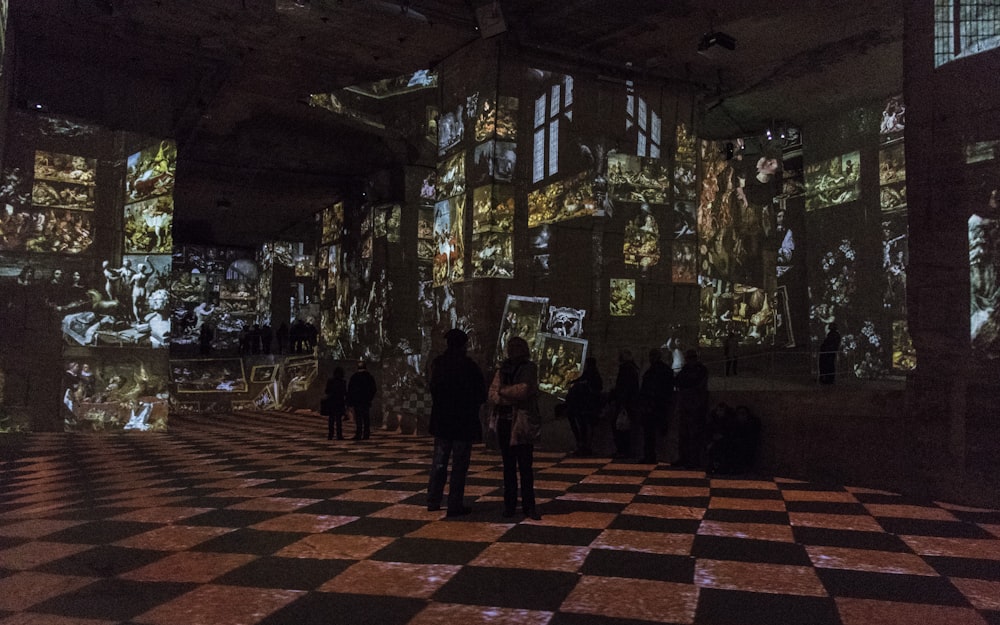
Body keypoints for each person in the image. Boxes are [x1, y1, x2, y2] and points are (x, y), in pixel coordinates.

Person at [427, 328, 487, 517]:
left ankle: (433, 500)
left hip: (443, 421)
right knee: (459, 465)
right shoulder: (469, 366)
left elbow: (433, 389)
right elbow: (481, 394)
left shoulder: (439, 364)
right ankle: (454, 503)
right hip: (463, 421)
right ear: (464, 345)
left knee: (439, 462)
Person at [489, 336, 541, 520]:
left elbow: (523, 391)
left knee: (525, 467)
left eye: (517, 347)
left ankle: (529, 506)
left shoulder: (529, 368)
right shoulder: (502, 369)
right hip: (504, 423)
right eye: (511, 347)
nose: (513, 350)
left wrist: (504, 391)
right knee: (508, 468)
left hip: (522, 424)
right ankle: (509, 505)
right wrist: (506, 394)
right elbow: (493, 395)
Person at [637, 348, 674, 464]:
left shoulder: (653, 371)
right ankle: (652, 455)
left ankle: (650, 455)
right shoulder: (663, 370)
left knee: (650, 433)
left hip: (654, 405)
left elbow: (649, 388)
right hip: (657, 405)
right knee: (652, 433)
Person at [675, 349, 709, 469]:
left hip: (695, 406)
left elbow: (697, 385)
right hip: (687, 404)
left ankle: (693, 460)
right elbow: (678, 381)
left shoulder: (700, 370)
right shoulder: (687, 370)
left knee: (694, 435)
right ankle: (685, 458)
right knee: (684, 434)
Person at [565, 356, 603, 457]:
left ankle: (583, 447)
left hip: (585, 407)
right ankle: (584, 447)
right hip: (587, 407)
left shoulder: (590, 376)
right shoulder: (593, 375)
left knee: (583, 427)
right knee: (584, 427)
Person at [609, 349, 640, 459]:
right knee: (625, 427)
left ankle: (623, 450)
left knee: (620, 427)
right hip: (629, 402)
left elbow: (623, 387)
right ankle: (625, 450)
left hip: (624, 403)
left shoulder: (625, 370)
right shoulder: (633, 370)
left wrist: (621, 400)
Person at [347, 360, 377, 440]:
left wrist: (350, 402)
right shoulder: (369, 377)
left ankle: (358, 434)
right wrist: (369, 398)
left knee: (358, 418)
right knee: (366, 417)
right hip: (366, 401)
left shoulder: (354, 377)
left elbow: (350, 390)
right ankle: (366, 434)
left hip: (357, 401)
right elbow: (373, 389)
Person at [322, 366, 348, 440]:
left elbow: (327, 391)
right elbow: (345, 392)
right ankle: (339, 435)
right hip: (339, 402)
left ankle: (330, 434)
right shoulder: (343, 382)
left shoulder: (330, 381)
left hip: (331, 402)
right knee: (338, 420)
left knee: (331, 419)